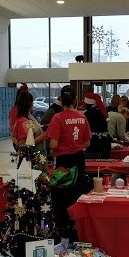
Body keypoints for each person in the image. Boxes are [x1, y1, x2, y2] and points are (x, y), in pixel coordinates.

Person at [46, 89, 91, 229]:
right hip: (78, 159)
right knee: (77, 192)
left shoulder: (58, 118)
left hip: (63, 161)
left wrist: (54, 151)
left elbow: (53, 144)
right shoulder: (82, 117)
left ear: (61, 100)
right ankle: (77, 223)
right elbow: (87, 142)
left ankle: (63, 225)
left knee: (62, 195)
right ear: (75, 99)